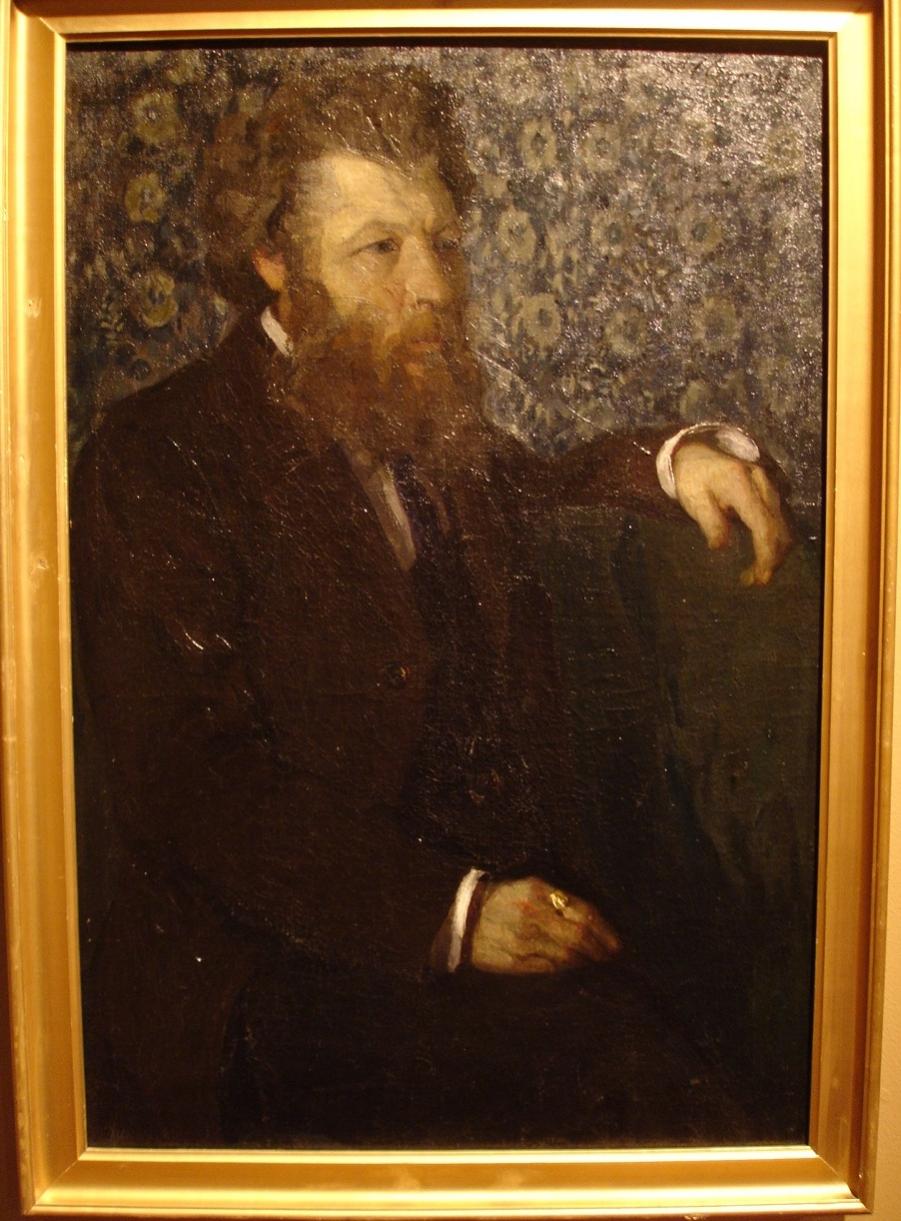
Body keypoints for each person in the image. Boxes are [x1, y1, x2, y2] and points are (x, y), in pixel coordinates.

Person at [70, 65, 792, 1149]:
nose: (433, 288)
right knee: (626, 1081)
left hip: (479, 946)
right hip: (265, 990)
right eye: (380, 249)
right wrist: (453, 913)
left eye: (441, 245)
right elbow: (194, 788)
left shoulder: (404, 407)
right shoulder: (157, 455)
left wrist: (678, 457)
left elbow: (539, 485)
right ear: (275, 260)